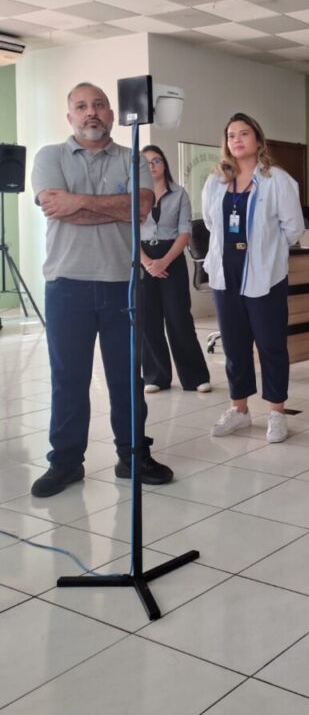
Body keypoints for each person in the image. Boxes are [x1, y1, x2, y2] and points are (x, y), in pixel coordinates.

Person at [30, 83, 173, 497]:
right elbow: (54, 205)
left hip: (122, 285)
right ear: (69, 116)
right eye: (81, 106)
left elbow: (141, 208)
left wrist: (78, 203)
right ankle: (66, 462)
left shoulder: (134, 159)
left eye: (98, 105)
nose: (90, 112)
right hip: (66, 285)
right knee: (68, 377)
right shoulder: (49, 157)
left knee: (127, 377)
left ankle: (132, 456)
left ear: (112, 113)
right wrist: (114, 206)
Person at [202, 112, 304, 442]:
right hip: (225, 273)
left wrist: (268, 252)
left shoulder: (277, 180)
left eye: (244, 133)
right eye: (231, 135)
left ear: (258, 140)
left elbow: (294, 228)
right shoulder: (215, 181)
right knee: (235, 345)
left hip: (265, 274)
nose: (237, 139)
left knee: (271, 344)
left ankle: (276, 412)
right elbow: (209, 223)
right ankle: (239, 410)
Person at [140, 144, 211, 394]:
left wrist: (164, 261)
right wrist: (148, 262)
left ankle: (195, 377)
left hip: (172, 258)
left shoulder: (179, 194)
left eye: (156, 160)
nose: (152, 166)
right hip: (143, 259)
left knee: (179, 318)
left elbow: (185, 232)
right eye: (147, 162)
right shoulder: (134, 194)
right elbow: (128, 232)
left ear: (164, 164)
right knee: (148, 319)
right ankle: (155, 376)